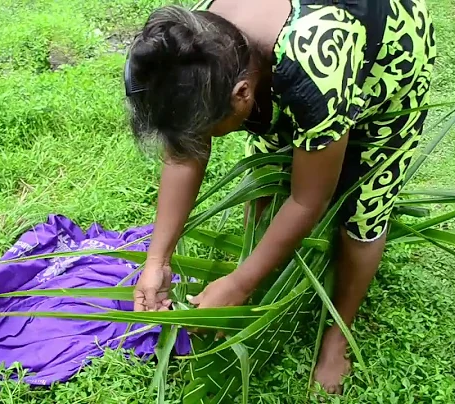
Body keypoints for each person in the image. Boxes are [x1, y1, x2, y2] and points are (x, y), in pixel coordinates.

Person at [125, 0, 435, 394]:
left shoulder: (312, 66)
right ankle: (262, 268)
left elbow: (309, 200)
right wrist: (157, 260)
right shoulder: (196, 42)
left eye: (207, 128)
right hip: (287, 71)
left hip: (387, 57)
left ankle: (338, 336)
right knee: (270, 174)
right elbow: (185, 153)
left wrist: (238, 285)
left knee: (364, 209)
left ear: (241, 92)